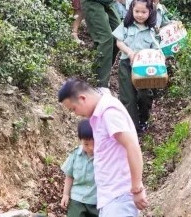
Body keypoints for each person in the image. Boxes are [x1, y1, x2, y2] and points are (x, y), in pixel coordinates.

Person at [58, 79, 149, 216]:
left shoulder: (109, 112)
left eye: (73, 109)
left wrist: (137, 188)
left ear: (82, 98)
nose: (75, 114)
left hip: (120, 195)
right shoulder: (100, 114)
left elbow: (132, 145)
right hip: (110, 197)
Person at [112, 0, 160, 133]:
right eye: (137, 11)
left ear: (150, 12)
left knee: (143, 96)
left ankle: (143, 119)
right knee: (128, 98)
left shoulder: (151, 30)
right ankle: (132, 127)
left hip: (144, 69)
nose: (140, 15)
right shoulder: (126, 25)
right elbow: (119, 42)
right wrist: (130, 52)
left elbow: (156, 48)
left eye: (144, 12)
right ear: (131, 10)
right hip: (126, 65)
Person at [60, 119, 98, 217]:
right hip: (77, 200)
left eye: (94, 143)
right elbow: (69, 176)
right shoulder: (75, 155)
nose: (91, 148)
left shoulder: (104, 157)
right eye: (86, 144)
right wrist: (66, 195)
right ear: (80, 140)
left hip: (97, 201)